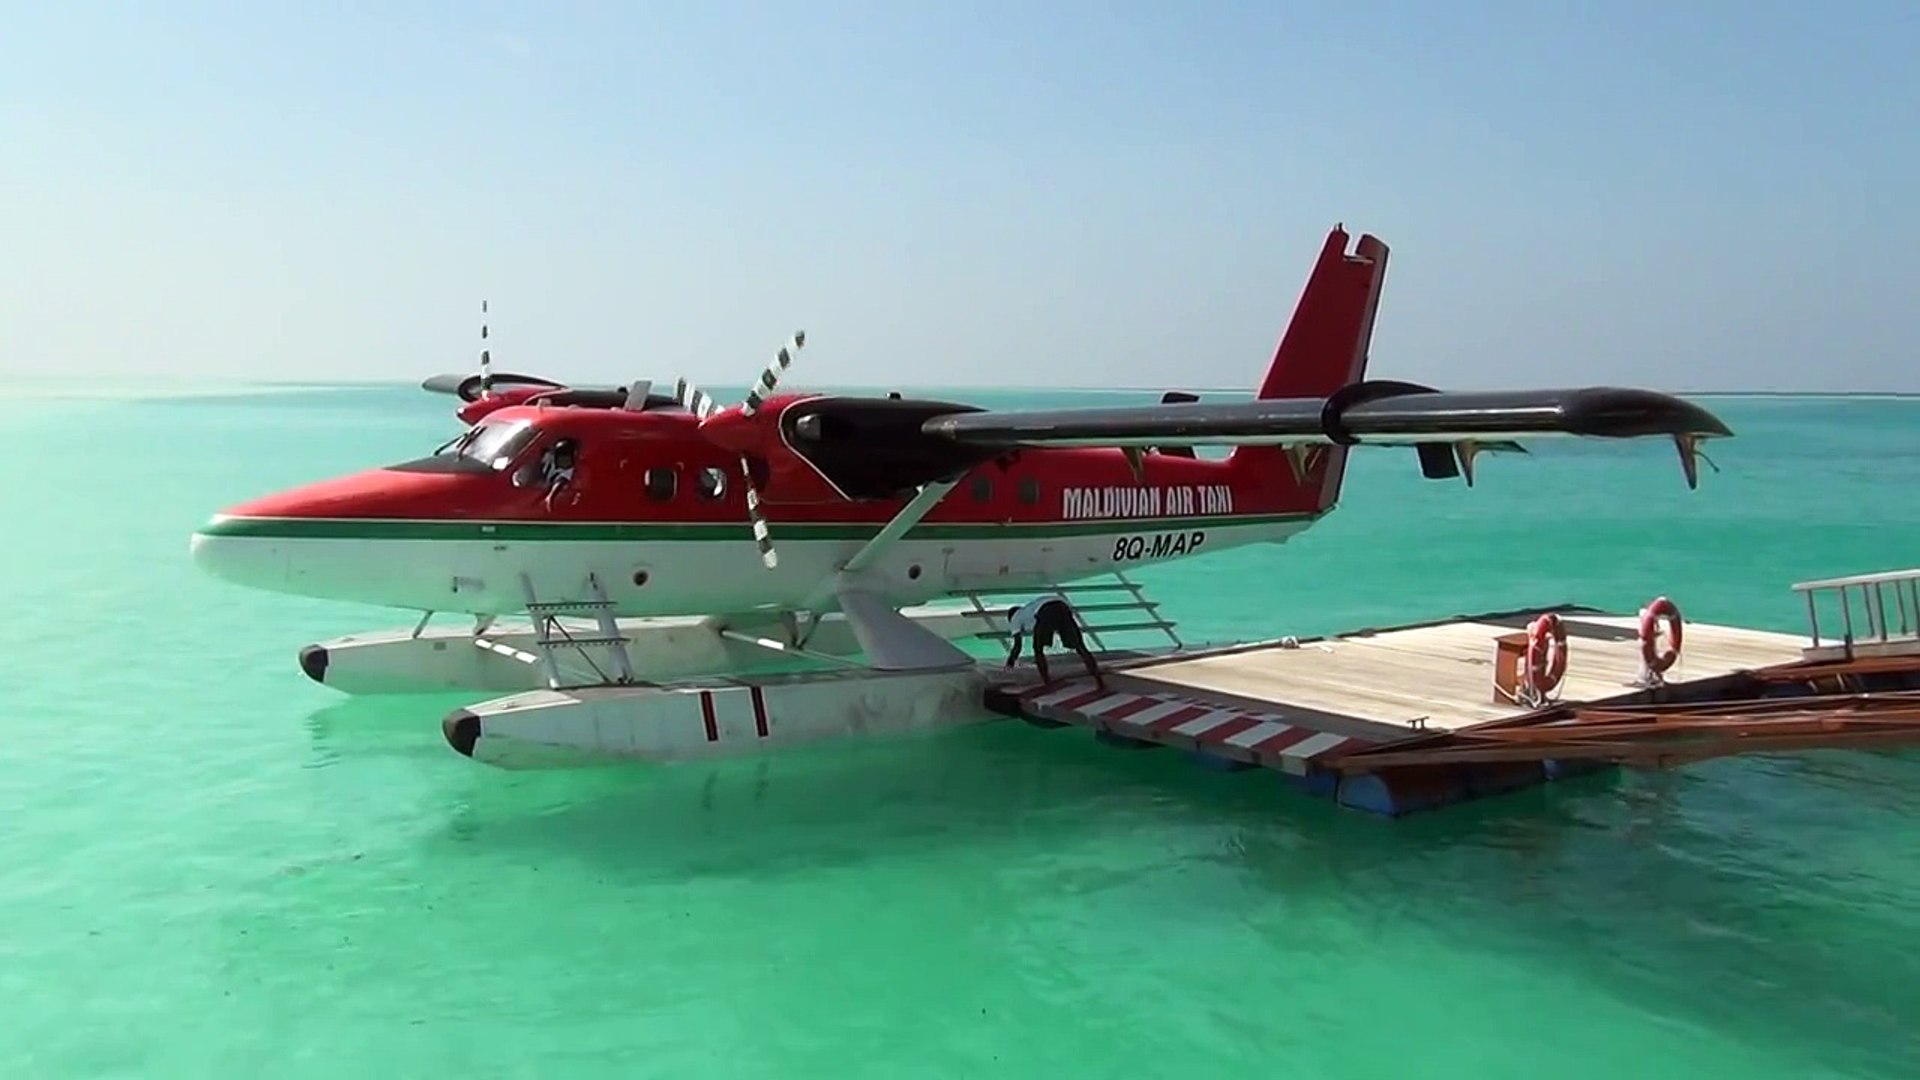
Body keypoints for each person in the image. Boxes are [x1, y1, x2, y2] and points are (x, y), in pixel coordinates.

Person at [1004, 595, 1104, 689]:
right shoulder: (1029, 609)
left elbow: (1017, 645)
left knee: (1038, 649)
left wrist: (1010, 663)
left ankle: (1047, 683)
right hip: (1063, 606)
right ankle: (1099, 680)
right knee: (1081, 647)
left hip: (1046, 610)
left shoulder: (1015, 617)